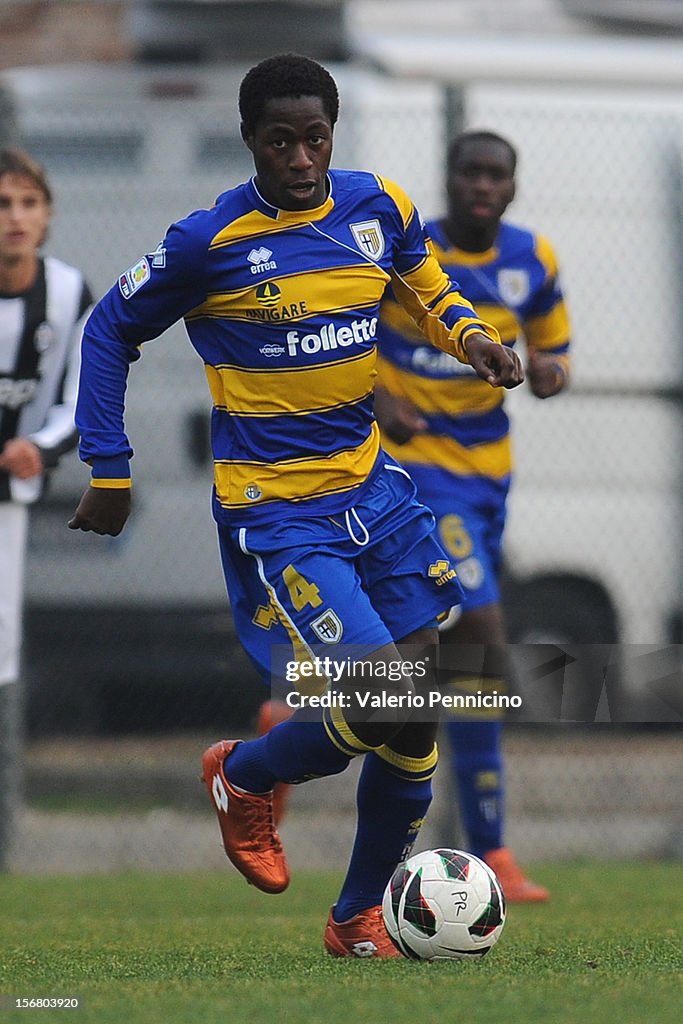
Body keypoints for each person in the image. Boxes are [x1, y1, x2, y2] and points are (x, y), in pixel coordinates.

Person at [68, 55, 523, 957]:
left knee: (416, 701)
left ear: (332, 134)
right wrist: (109, 469)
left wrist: (470, 336)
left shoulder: (375, 206)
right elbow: (109, 326)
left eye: (315, 138)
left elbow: (422, 280)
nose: (302, 159)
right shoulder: (208, 242)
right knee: (379, 695)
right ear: (249, 141)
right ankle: (242, 774)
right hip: (278, 513)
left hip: (372, 491)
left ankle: (355, 916)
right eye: (280, 142)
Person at [374, 129, 571, 902]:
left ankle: (290, 732)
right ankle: (490, 844)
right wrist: (375, 393)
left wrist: (551, 371)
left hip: (489, 480)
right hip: (418, 479)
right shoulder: (411, 257)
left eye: (495, 175)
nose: (481, 186)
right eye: (469, 173)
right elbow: (347, 337)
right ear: (449, 181)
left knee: (438, 665)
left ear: (512, 188)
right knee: (481, 629)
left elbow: (556, 350)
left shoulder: (534, 260)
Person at [0, 147, 93, 869]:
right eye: (3, 205)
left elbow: (79, 403)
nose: (15, 220)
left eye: (28, 204)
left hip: (10, 501)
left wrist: (40, 446)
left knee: (2, 653)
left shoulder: (65, 294)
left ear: (48, 214)